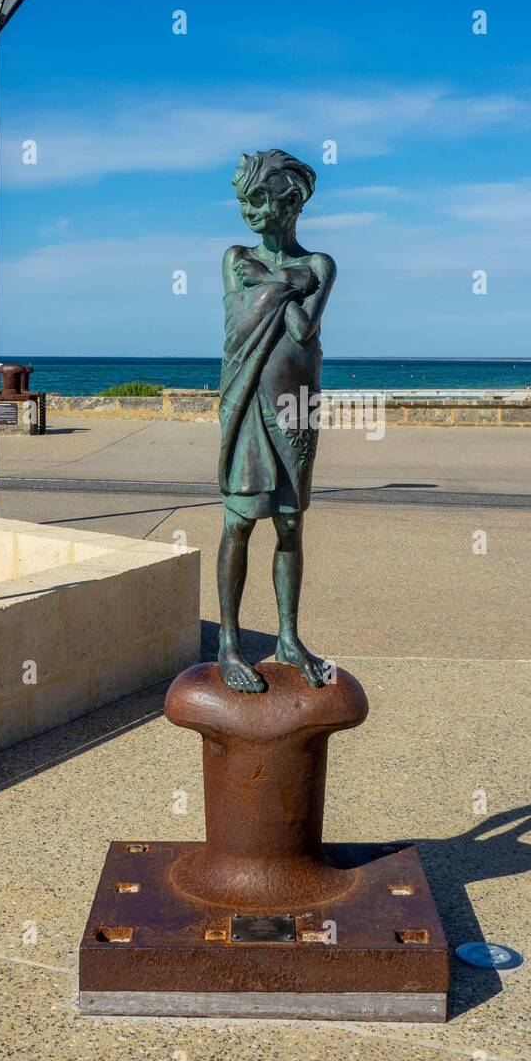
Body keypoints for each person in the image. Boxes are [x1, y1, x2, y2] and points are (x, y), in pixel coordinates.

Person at [216, 149, 336, 692]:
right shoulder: (236, 257)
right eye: (245, 200)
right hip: (247, 401)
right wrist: (281, 286)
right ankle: (230, 643)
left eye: (261, 199)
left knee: (290, 523)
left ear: (292, 202)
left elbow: (304, 331)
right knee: (239, 521)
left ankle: (288, 636)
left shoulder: (319, 266)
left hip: (298, 405)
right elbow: (241, 320)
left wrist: (275, 282)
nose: (251, 211)